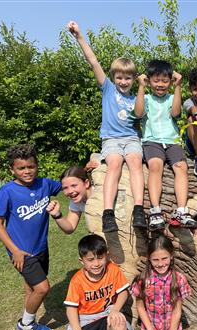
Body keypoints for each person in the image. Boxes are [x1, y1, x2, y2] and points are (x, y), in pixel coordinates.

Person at [67, 21, 146, 233]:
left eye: (128, 77)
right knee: (114, 165)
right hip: (111, 139)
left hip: (131, 138)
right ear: (113, 77)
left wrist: (142, 87)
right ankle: (108, 212)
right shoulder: (108, 89)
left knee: (136, 164)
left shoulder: (136, 97)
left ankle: (139, 209)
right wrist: (79, 36)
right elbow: (92, 61)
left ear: (133, 79)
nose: (123, 81)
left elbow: (139, 114)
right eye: (119, 77)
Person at [0, 144, 62, 330]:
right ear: (12, 169)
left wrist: (86, 169)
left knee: (32, 288)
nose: (27, 171)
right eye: (21, 168)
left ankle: (27, 317)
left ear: (37, 166)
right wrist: (15, 251)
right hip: (22, 252)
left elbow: (67, 183)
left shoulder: (45, 184)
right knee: (42, 288)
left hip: (41, 248)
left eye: (31, 166)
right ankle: (26, 324)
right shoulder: (7, 192)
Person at [134, 60, 197, 231]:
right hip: (152, 140)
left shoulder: (171, 97)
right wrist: (140, 87)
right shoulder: (146, 98)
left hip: (172, 141)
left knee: (181, 167)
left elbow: (176, 112)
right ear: (149, 81)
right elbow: (138, 113)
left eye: (165, 81)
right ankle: (155, 211)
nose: (160, 85)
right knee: (155, 166)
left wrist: (178, 87)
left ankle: (182, 211)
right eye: (156, 80)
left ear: (170, 82)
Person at [62, 234, 135, 330]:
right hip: (85, 319)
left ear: (106, 256)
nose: (96, 264)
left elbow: (123, 292)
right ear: (81, 260)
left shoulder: (112, 269)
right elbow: (71, 308)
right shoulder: (77, 280)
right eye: (90, 260)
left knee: (119, 323)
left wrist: (115, 310)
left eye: (100, 258)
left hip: (106, 315)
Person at [131, 235, 192, 330]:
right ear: (149, 259)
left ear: (171, 256)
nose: (160, 264)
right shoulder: (142, 280)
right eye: (155, 260)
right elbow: (140, 307)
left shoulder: (179, 279)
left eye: (164, 258)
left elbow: (177, 312)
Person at [47, 166, 94, 234]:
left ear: (86, 183)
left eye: (74, 185)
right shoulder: (76, 201)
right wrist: (57, 215)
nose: (70, 191)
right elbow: (70, 227)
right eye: (65, 188)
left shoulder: (101, 193)